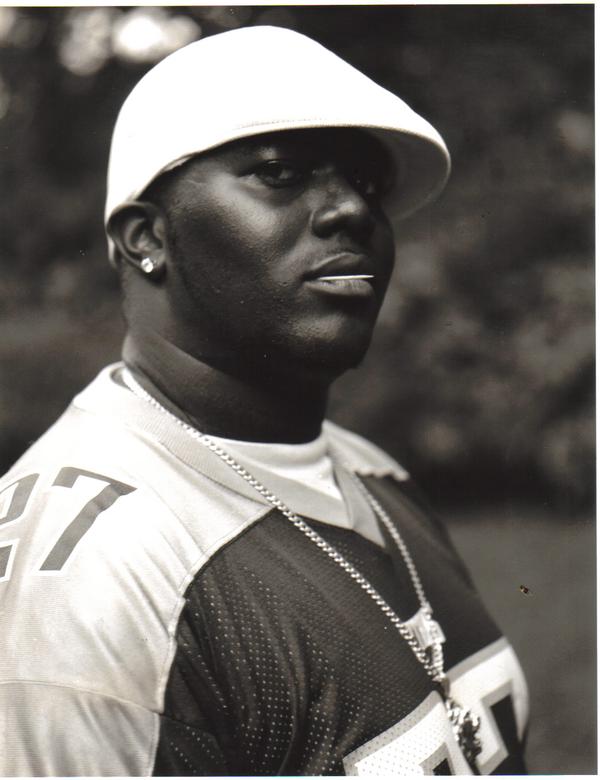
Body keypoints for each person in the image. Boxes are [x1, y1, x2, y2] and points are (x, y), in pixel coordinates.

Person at [0, 26, 528, 776]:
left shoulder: (372, 474)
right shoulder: (98, 575)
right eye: (279, 174)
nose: (352, 211)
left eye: (366, 184)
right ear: (148, 238)